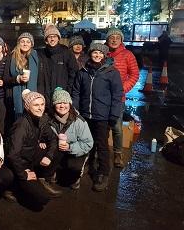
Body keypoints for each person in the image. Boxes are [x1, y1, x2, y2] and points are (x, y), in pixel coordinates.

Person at [72, 43, 123, 192]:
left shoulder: (111, 72)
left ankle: (103, 172)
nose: (97, 55)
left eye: (100, 53)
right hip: (85, 114)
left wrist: (114, 114)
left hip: (102, 115)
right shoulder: (83, 71)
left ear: (105, 55)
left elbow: (117, 95)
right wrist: (76, 109)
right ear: (90, 54)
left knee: (101, 145)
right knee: (86, 142)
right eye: (94, 52)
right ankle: (86, 165)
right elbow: (76, 91)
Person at [7, 90, 60, 209]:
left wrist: (48, 156)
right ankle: (13, 187)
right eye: (36, 105)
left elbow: (53, 139)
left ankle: (42, 178)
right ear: (27, 107)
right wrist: (23, 174)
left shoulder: (42, 119)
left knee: (60, 148)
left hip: (32, 156)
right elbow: (12, 155)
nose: (40, 108)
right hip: (21, 165)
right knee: (42, 199)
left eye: (42, 104)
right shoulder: (21, 126)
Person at [105, 28, 139, 168]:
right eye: (111, 37)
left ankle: (118, 154)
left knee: (117, 127)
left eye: (117, 37)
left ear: (121, 40)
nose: (114, 40)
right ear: (107, 40)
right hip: (102, 97)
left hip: (119, 98)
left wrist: (122, 89)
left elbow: (134, 75)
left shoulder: (127, 55)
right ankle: (101, 151)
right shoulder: (103, 53)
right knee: (102, 126)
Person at [48, 88, 93, 190]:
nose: (62, 105)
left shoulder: (79, 121)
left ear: (70, 104)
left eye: (65, 102)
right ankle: (54, 171)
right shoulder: (49, 119)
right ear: (54, 104)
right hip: (57, 150)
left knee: (73, 169)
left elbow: (88, 143)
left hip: (75, 151)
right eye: (59, 102)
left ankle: (76, 176)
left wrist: (70, 147)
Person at [3, 32, 40, 121]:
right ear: (19, 43)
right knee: (18, 120)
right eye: (22, 41)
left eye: (28, 41)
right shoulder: (11, 56)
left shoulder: (37, 57)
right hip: (15, 96)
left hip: (32, 94)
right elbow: (5, 78)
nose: (25, 44)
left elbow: (40, 78)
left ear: (31, 44)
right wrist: (17, 79)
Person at [38, 24, 78, 99]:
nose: (52, 39)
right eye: (49, 37)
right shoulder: (41, 54)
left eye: (55, 36)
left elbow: (73, 73)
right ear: (46, 40)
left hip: (62, 94)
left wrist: (68, 90)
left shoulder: (67, 53)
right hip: (45, 94)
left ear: (58, 38)